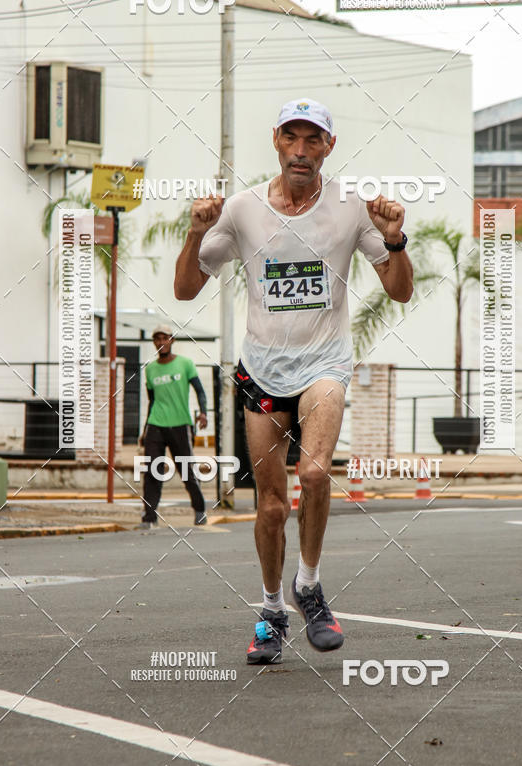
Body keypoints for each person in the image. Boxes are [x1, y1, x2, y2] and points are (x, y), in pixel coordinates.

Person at [174, 98, 413, 663]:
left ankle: (309, 584)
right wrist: (195, 233)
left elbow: (400, 291)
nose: (301, 151)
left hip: (324, 364)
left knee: (313, 471)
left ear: (329, 146)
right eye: (292, 138)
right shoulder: (243, 209)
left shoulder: (352, 209)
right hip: (261, 371)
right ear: (277, 141)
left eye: (313, 140)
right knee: (272, 507)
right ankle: (272, 611)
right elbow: (185, 290)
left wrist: (395, 239)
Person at [139, 324, 209, 528]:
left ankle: (199, 510)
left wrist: (203, 412)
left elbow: (200, 391)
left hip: (180, 424)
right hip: (156, 424)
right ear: (154, 342)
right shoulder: (150, 369)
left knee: (186, 471)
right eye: (157, 339)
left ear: (172, 340)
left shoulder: (185, 364)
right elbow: (152, 401)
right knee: (152, 470)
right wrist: (145, 430)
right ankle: (149, 517)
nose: (161, 342)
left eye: (165, 338)